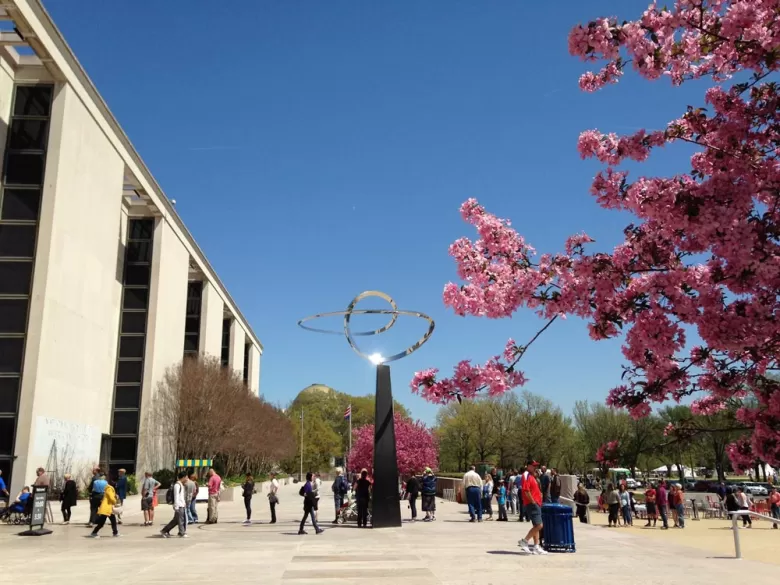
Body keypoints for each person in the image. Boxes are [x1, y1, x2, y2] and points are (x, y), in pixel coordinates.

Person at [517, 461, 547, 555]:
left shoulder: (531, 476)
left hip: (536, 503)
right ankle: (525, 541)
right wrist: (533, 501)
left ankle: (536, 546)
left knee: (536, 526)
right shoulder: (526, 475)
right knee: (539, 525)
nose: (535, 468)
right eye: (534, 466)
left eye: (536, 466)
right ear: (528, 466)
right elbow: (526, 490)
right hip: (532, 503)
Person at [160, 471, 189, 538]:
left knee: (176, 521)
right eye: (186, 477)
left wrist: (183, 502)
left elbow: (181, 496)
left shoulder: (181, 485)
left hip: (181, 505)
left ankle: (164, 530)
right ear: (183, 477)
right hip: (179, 506)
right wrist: (176, 507)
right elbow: (176, 496)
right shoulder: (177, 485)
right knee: (180, 520)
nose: (187, 479)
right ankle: (182, 533)